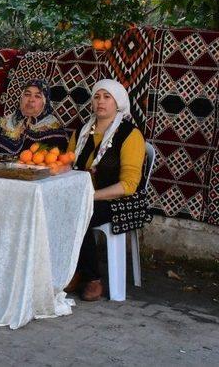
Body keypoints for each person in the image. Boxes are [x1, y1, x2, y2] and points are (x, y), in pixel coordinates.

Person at [65, 79, 148, 301]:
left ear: (118, 102)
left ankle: (91, 278)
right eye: (96, 96)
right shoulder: (83, 131)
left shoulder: (130, 135)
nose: (100, 101)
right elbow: (68, 164)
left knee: (80, 214)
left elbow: (129, 185)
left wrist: (91, 196)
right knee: (53, 207)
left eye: (107, 97)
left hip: (120, 201)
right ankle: (74, 269)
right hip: (85, 195)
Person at [0, 79, 68, 154]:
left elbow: (54, 161)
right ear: (21, 98)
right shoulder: (7, 122)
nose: (31, 100)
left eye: (37, 96)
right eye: (27, 94)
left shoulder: (52, 128)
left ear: (45, 103)